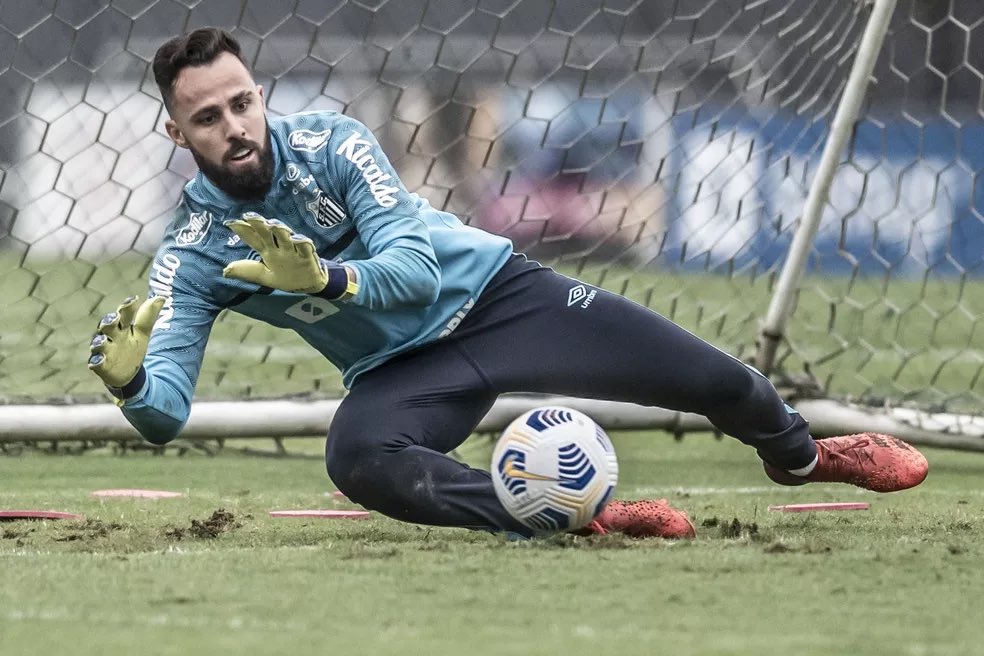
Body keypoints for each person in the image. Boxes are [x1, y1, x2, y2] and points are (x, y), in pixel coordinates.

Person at [87, 28, 928, 540]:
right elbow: (165, 415)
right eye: (208, 117)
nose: (234, 128)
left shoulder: (335, 144)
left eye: (241, 103)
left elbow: (415, 270)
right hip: (402, 373)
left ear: (260, 95)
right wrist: (132, 384)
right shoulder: (193, 249)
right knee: (358, 458)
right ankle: (577, 517)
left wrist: (329, 278)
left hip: (498, 298)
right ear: (176, 132)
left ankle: (805, 457)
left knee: (722, 382)